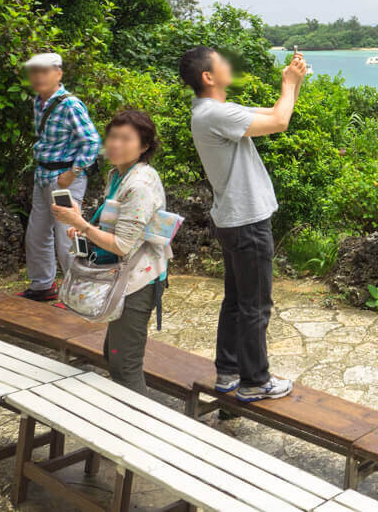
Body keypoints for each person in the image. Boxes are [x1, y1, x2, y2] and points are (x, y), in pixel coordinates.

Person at [179, 46, 306, 402]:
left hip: (234, 219)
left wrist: (291, 83)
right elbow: (280, 122)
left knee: (236, 300)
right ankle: (255, 381)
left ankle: (228, 372)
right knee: (255, 305)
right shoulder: (215, 114)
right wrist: (288, 84)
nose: (228, 65)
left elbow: (274, 113)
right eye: (221, 62)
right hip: (247, 220)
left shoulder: (212, 112)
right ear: (208, 76)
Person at [52, 110, 168, 393]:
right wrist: (85, 224)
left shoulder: (139, 184)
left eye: (126, 139)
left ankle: (140, 431)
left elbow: (122, 245)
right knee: (113, 355)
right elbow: (115, 225)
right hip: (124, 276)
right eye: (113, 137)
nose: (115, 144)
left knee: (124, 364)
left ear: (144, 147)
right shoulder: (118, 174)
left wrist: (80, 224)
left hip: (139, 281)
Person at [19, 52, 102, 302]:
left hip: (65, 179)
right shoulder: (38, 101)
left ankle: (80, 295)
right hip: (43, 175)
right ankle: (43, 285)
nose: (38, 77)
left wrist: (73, 172)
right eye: (34, 71)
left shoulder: (70, 105)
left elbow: (91, 141)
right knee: (36, 234)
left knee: (68, 236)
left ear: (59, 73)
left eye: (45, 71)